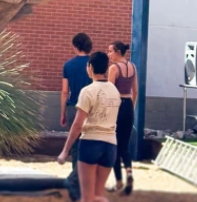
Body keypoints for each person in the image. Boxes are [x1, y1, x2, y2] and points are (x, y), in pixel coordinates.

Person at [57, 51, 122, 202]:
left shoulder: (88, 91)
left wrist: (65, 151)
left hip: (91, 143)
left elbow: (77, 125)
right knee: (98, 196)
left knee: (86, 197)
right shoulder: (114, 91)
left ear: (90, 68)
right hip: (111, 145)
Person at [61, 33, 94, 200]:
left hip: (74, 106)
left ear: (75, 46)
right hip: (91, 109)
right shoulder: (93, 64)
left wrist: (62, 113)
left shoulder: (68, 65)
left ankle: (75, 179)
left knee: (74, 145)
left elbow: (65, 91)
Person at [107, 41, 138, 195]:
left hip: (117, 106)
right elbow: (136, 91)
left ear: (118, 52)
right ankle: (129, 172)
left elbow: (110, 92)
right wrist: (131, 108)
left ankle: (119, 181)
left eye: (110, 51)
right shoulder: (133, 67)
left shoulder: (113, 68)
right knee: (124, 146)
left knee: (114, 147)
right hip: (128, 106)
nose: (109, 54)